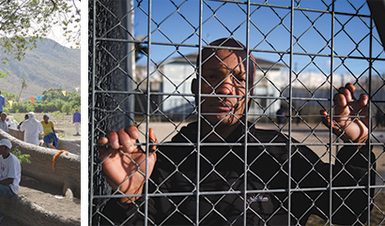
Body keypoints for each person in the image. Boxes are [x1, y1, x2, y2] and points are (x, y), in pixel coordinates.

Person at [96, 38, 374, 225]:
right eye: (214, 76)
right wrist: (126, 200)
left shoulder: (279, 152)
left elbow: (351, 210)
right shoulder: (162, 162)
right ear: (195, 88)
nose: (226, 88)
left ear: (249, 95)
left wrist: (358, 143)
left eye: (239, 79)